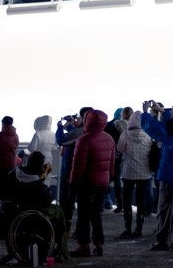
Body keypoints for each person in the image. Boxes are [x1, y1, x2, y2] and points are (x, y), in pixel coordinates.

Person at [141, 99, 173, 251]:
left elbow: (152, 128)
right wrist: (162, 111)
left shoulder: (171, 127)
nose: (172, 110)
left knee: (165, 208)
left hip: (170, 171)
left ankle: (163, 240)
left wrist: (145, 113)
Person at [68, 108, 116, 257]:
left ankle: (84, 245)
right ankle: (99, 243)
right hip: (103, 182)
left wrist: (73, 182)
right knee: (97, 214)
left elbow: (78, 165)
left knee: (83, 215)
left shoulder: (84, 139)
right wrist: (110, 178)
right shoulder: (109, 138)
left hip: (87, 183)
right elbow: (112, 163)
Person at [9, 150, 69, 261]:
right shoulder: (37, 183)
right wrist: (43, 180)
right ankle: (59, 248)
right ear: (39, 166)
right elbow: (46, 200)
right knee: (58, 213)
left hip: (17, 210)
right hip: (34, 215)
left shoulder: (15, 173)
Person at [116, 111, 153, 238]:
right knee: (140, 202)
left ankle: (127, 228)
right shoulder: (148, 134)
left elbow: (120, 149)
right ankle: (139, 229)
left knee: (127, 201)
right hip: (144, 172)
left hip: (128, 172)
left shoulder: (125, 133)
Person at [0, 116, 20, 181]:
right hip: (11, 164)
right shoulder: (16, 136)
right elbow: (15, 146)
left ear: (3, 124)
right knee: (7, 185)